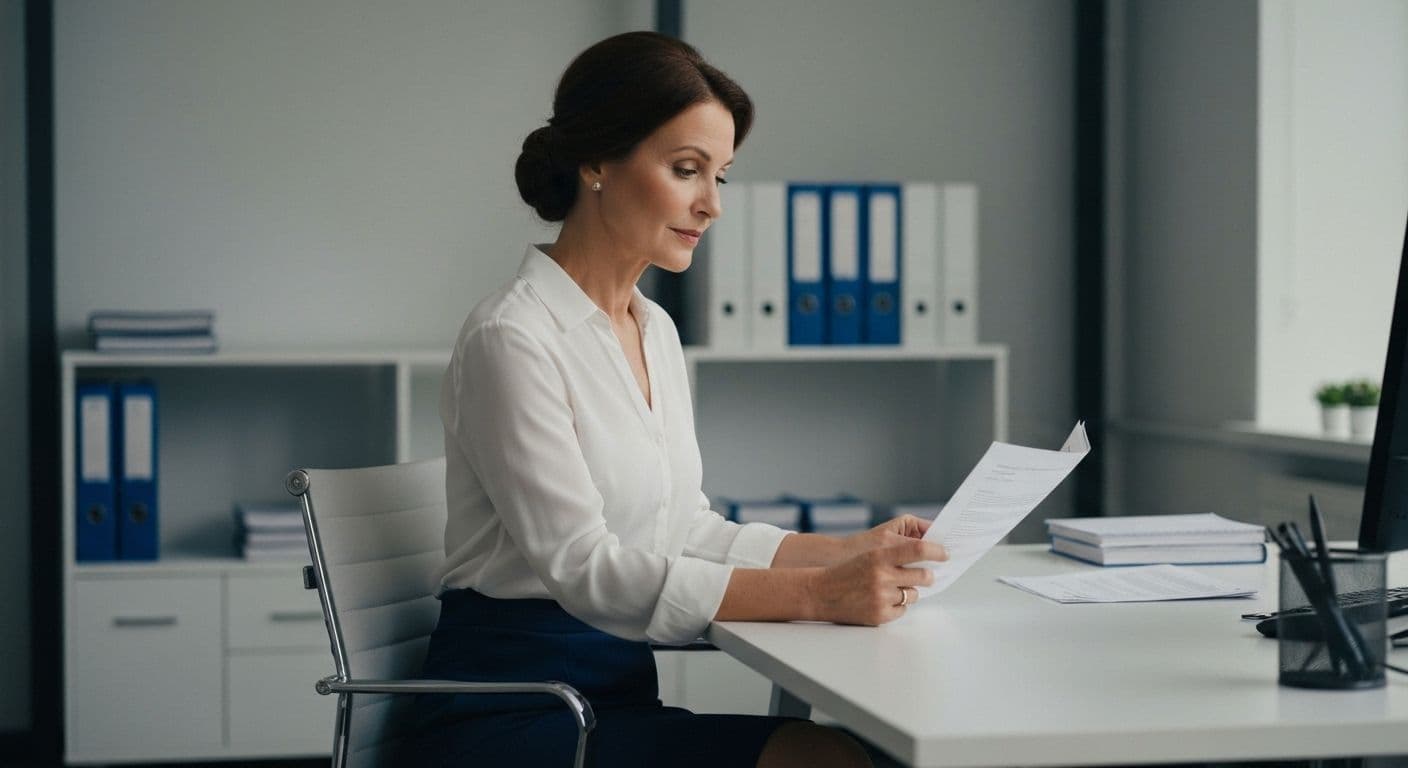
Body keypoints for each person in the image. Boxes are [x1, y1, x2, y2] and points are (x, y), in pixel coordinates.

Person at [408, 31, 949, 768]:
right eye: (686, 169)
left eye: (720, 177)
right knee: (839, 760)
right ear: (595, 162)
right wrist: (818, 594)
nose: (711, 205)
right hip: (519, 709)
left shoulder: (651, 326)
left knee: (857, 752)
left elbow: (683, 527)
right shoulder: (513, 337)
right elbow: (585, 569)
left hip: (615, 694)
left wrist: (848, 551)